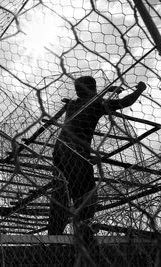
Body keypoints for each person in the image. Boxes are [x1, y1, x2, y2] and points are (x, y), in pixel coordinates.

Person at [48, 76, 147, 246]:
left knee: (61, 191)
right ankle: (84, 233)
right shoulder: (95, 103)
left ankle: (53, 236)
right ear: (91, 89)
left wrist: (107, 91)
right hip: (75, 151)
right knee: (86, 192)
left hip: (59, 151)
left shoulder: (72, 105)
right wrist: (139, 90)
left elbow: (90, 99)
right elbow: (124, 102)